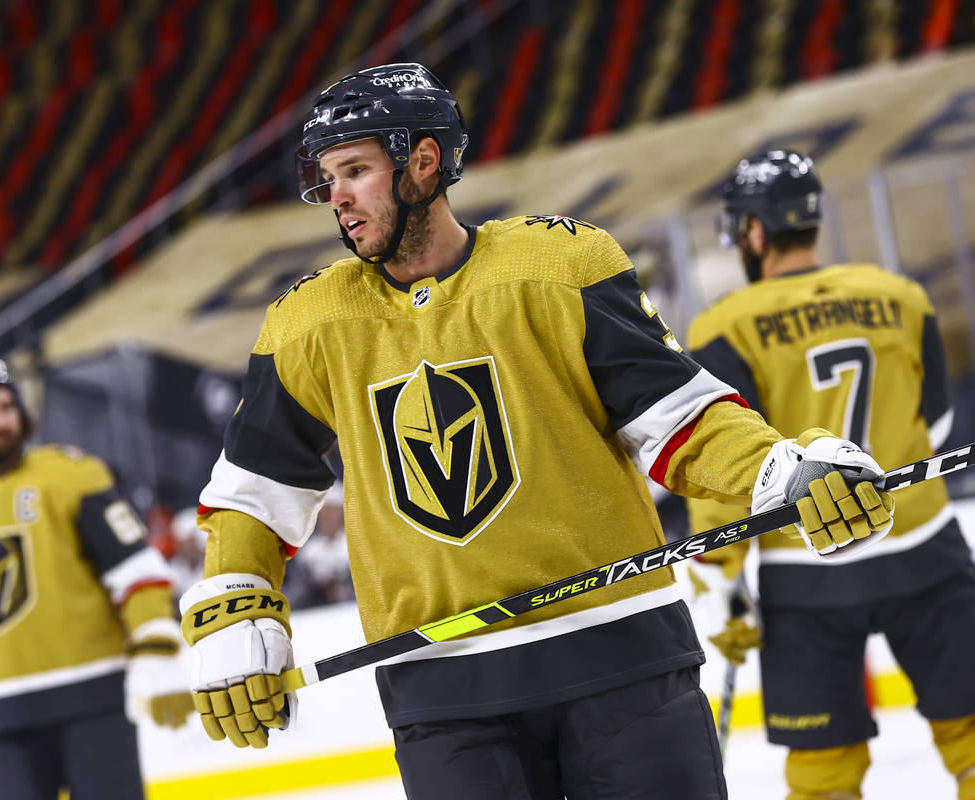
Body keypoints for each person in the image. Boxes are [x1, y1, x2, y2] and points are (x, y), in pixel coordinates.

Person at [176, 64, 896, 799]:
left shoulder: (560, 265)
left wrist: (780, 469)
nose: (338, 198)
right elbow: (256, 491)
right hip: (443, 693)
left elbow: (681, 419)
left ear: (423, 162)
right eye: (329, 178)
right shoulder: (306, 324)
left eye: (355, 170)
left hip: (622, 657)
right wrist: (238, 596)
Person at [685, 149, 975, 800]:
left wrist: (722, 579)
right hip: (926, 550)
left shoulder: (724, 325)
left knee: (823, 778)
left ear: (754, 231)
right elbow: (941, 425)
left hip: (806, 573)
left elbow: (724, 465)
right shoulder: (899, 295)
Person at [0, 354, 191, 800]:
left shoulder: (71, 475)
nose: (1, 421)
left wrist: (155, 645)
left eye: (7, 407)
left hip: (95, 696)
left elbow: (137, 573)